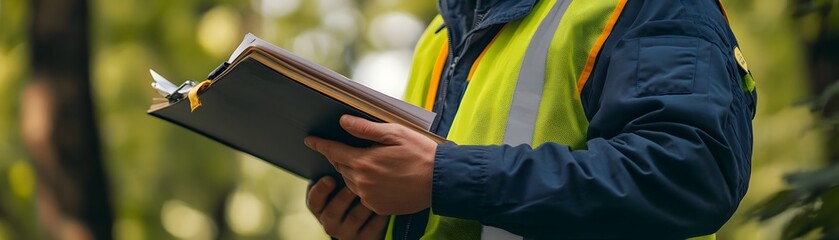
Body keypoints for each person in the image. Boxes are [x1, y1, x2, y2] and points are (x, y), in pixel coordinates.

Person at [304, 0, 757, 239]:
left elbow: (691, 172)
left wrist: (446, 176)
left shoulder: (651, 6)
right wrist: (372, 227)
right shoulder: (438, 40)